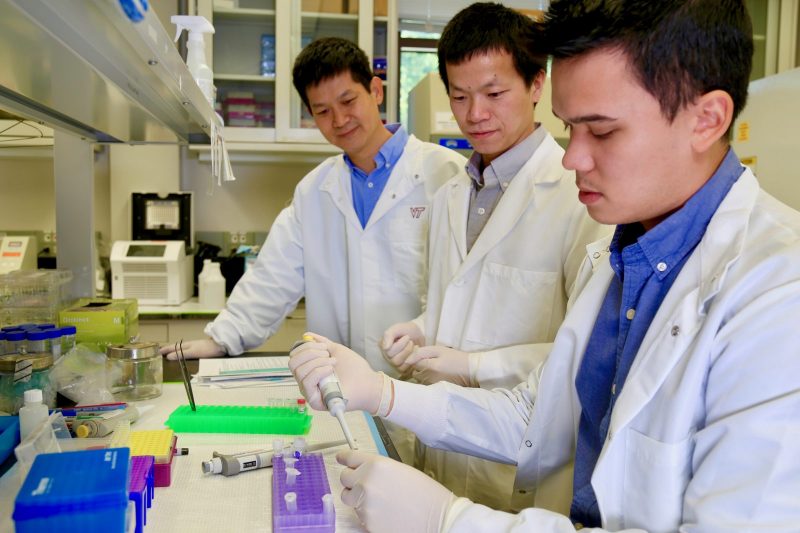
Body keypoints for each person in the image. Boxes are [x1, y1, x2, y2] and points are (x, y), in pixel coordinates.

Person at [289, 1, 800, 531]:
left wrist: (449, 520)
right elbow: (537, 415)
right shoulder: (621, 257)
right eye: (569, 128)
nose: (573, 156)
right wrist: (383, 391)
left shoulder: (778, 296)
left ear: (707, 118)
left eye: (600, 132)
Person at [378, 2, 607, 510]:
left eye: (494, 93)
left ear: (536, 85)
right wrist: (421, 328)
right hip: (441, 452)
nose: (474, 113)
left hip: (520, 469)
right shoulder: (450, 196)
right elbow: (458, 301)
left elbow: (589, 348)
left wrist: (474, 365)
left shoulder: (580, 196)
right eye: (459, 96)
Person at [160, 38, 465, 378]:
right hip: (344, 386)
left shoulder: (445, 174)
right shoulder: (314, 191)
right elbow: (273, 277)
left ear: (376, 91)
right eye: (322, 111)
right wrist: (220, 340)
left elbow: (462, 288)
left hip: (424, 388)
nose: (339, 119)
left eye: (348, 100)